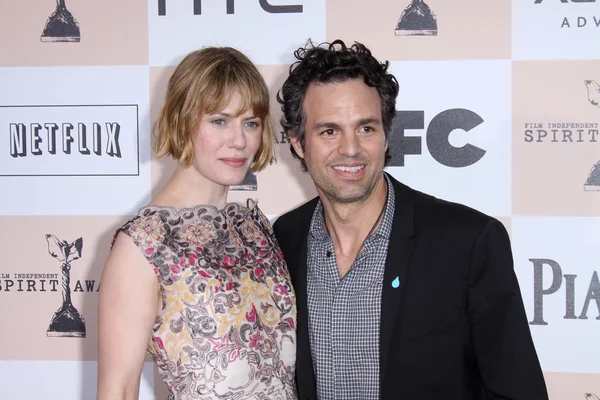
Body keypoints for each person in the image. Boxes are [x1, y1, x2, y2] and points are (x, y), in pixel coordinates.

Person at [273, 39, 548, 400]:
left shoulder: (467, 243)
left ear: (386, 135)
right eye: (329, 131)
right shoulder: (283, 239)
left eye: (366, 128)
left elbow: (518, 391)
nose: (351, 148)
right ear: (297, 142)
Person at [97, 47, 297, 400]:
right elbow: (119, 390)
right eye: (219, 120)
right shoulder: (144, 246)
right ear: (181, 120)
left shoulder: (255, 229)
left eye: (250, 122)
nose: (239, 140)